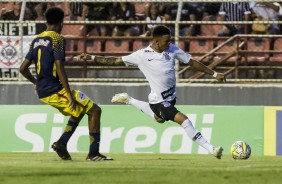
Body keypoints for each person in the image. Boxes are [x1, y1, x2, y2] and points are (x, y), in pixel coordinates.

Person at [77, 25, 226, 159]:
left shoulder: (172, 49)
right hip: (159, 101)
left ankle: (129, 100)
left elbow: (191, 62)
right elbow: (114, 61)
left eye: (170, 40)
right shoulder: (141, 55)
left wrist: (214, 74)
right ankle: (211, 148)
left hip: (170, 98)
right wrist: (91, 57)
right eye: (166, 41)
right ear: (156, 42)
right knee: (184, 120)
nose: (169, 43)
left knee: (159, 119)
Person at [19, 7, 112, 162]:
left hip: (44, 89)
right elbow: (60, 68)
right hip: (54, 89)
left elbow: (22, 68)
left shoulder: (36, 40)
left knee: (80, 110)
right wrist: (69, 95)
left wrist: (36, 83)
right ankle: (93, 153)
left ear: (46, 21)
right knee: (95, 110)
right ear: (61, 23)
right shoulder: (57, 39)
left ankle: (62, 143)